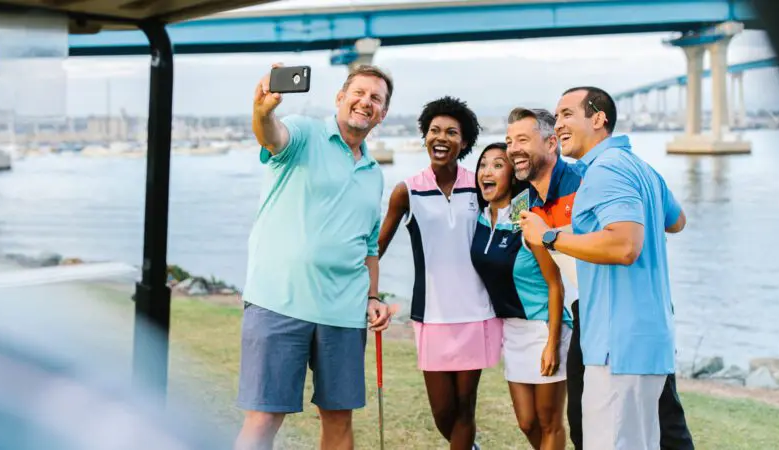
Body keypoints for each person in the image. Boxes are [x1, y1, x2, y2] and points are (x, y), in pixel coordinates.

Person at [234, 64, 395, 450]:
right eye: (358, 93)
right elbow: (272, 137)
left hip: (343, 314)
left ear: (383, 114)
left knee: (339, 421)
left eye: (376, 98)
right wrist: (262, 111)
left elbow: (369, 247)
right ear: (340, 98)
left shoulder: (374, 173)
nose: (365, 102)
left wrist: (373, 297)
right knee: (264, 417)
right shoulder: (305, 132)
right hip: (279, 301)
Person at [518, 86, 688, 450]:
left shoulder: (604, 171)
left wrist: (549, 237)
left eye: (567, 114)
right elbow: (676, 221)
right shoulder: (641, 168)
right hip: (649, 341)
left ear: (598, 119)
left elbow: (625, 245)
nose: (557, 123)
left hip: (616, 346)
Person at [377, 96, 499, 450]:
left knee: (465, 408)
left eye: (451, 132)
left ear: (464, 142)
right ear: (425, 136)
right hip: (431, 314)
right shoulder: (407, 190)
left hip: (476, 312)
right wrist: (363, 290)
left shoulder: (479, 185)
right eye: (434, 131)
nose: (440, 137)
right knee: (442, 411)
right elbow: (378, 246)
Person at [475, 107, 580, 449]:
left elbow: (555, 282)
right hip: (514, 330)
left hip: (544, 326)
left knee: (550, 422)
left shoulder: (527, 211)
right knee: (526, 421)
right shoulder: (499, 212)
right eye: (509, 142)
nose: (511, 148)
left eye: (521, 140)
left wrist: (552, 342)